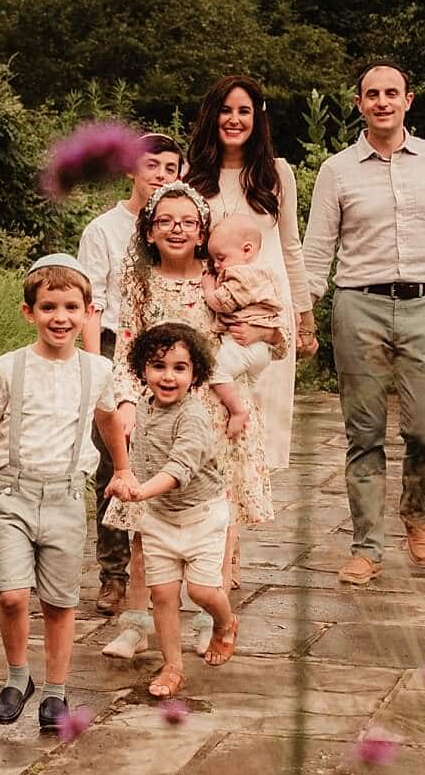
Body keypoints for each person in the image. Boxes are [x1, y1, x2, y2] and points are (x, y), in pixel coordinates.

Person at [300, 59, 425, 586]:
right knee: (363, 434)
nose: (382, 101)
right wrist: (300, 319)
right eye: (371, 94)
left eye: (392, 92)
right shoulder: (338, 170)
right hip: (357, 307)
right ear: (358, 104)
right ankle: (367, 546)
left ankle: (416, 511)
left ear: (409, 100)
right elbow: (316, 255)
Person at [100, 182, 275, 659]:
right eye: (165, 221)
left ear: (202, 232)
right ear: (150, 230)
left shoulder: (224, 276)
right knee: (144, 520)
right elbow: (126, 345)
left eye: (187, 222)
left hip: (217, 415)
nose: (176, 229)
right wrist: (127, 401)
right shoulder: (139, 279)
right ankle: (137, 622)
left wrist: (257, 330)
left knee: (215, 524)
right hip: (156, 411)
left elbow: (272, 334)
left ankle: (205, 618)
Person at [0, 255, 127, 731]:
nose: (60, 317)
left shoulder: (97, 371)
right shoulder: (8, 368)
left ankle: (55, 692)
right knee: (12, 596)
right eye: (49, 306)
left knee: (58, 601)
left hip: (68, 499)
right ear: (29, 312)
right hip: (12, 494)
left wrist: (124, 470)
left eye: (71, 307)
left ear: (88, 312)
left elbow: (109, 422)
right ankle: (17, 677)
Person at [183, 75, 314, 474]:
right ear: (212, 115)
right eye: (226, 110)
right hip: (210, 307)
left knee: (258, 431)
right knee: (208, 421)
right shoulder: (191, 175)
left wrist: (305, 318)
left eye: (244, 111)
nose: (234, 119)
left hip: (265, 312)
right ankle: (218, 531)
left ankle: (235, 536)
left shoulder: (277, 174)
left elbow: (291, 246)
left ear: (257, 119)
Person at [103, 321, 241, 698]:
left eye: (180, 368)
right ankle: (172, 666)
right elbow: (129, 450)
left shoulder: (193, 416)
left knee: (200, 591)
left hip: (202, 515)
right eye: (158, 366)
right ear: (142, 371)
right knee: (162, 594)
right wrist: (123, 476)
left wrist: (137, 492)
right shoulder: (143, 409)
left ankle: (226, 622)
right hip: (160, 518)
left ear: (195, 374)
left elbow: (177, 469)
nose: (168, 376)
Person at [78, 132, 183, 614]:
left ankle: (163, 567)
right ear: (130, 170)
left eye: (170, 168)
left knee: (167, 455)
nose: (161, 175)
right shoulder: (104, 229)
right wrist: (94, 367)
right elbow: (91, 302)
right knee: (113, 460)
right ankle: (113, 573)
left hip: (168, 351)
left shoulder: (180, 222)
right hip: (113, 346)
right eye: (152, 166)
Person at [202, 213, 287, 439]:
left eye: (221, 258)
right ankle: (246, 411)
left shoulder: (241, 275)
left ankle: (238, 412)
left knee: (215, 371)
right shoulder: (263, 274)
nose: (217, 265)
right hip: (260, 351)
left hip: (244, 345)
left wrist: (209, 289)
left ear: (246, 250)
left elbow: (223, 303)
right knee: (247, 387)